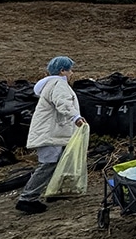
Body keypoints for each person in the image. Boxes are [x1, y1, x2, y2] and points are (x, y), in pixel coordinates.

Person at [16, 56, 87, 214]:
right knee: (48, 164)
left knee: (58, 162)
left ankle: (54, 191)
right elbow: (63, 103)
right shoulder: (58, 84)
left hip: (53, 132)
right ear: (62, 71)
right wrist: (76, 117)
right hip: (50, 133)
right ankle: (27, 198)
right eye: (69, 70)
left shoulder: (51, 84)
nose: (71, 73)